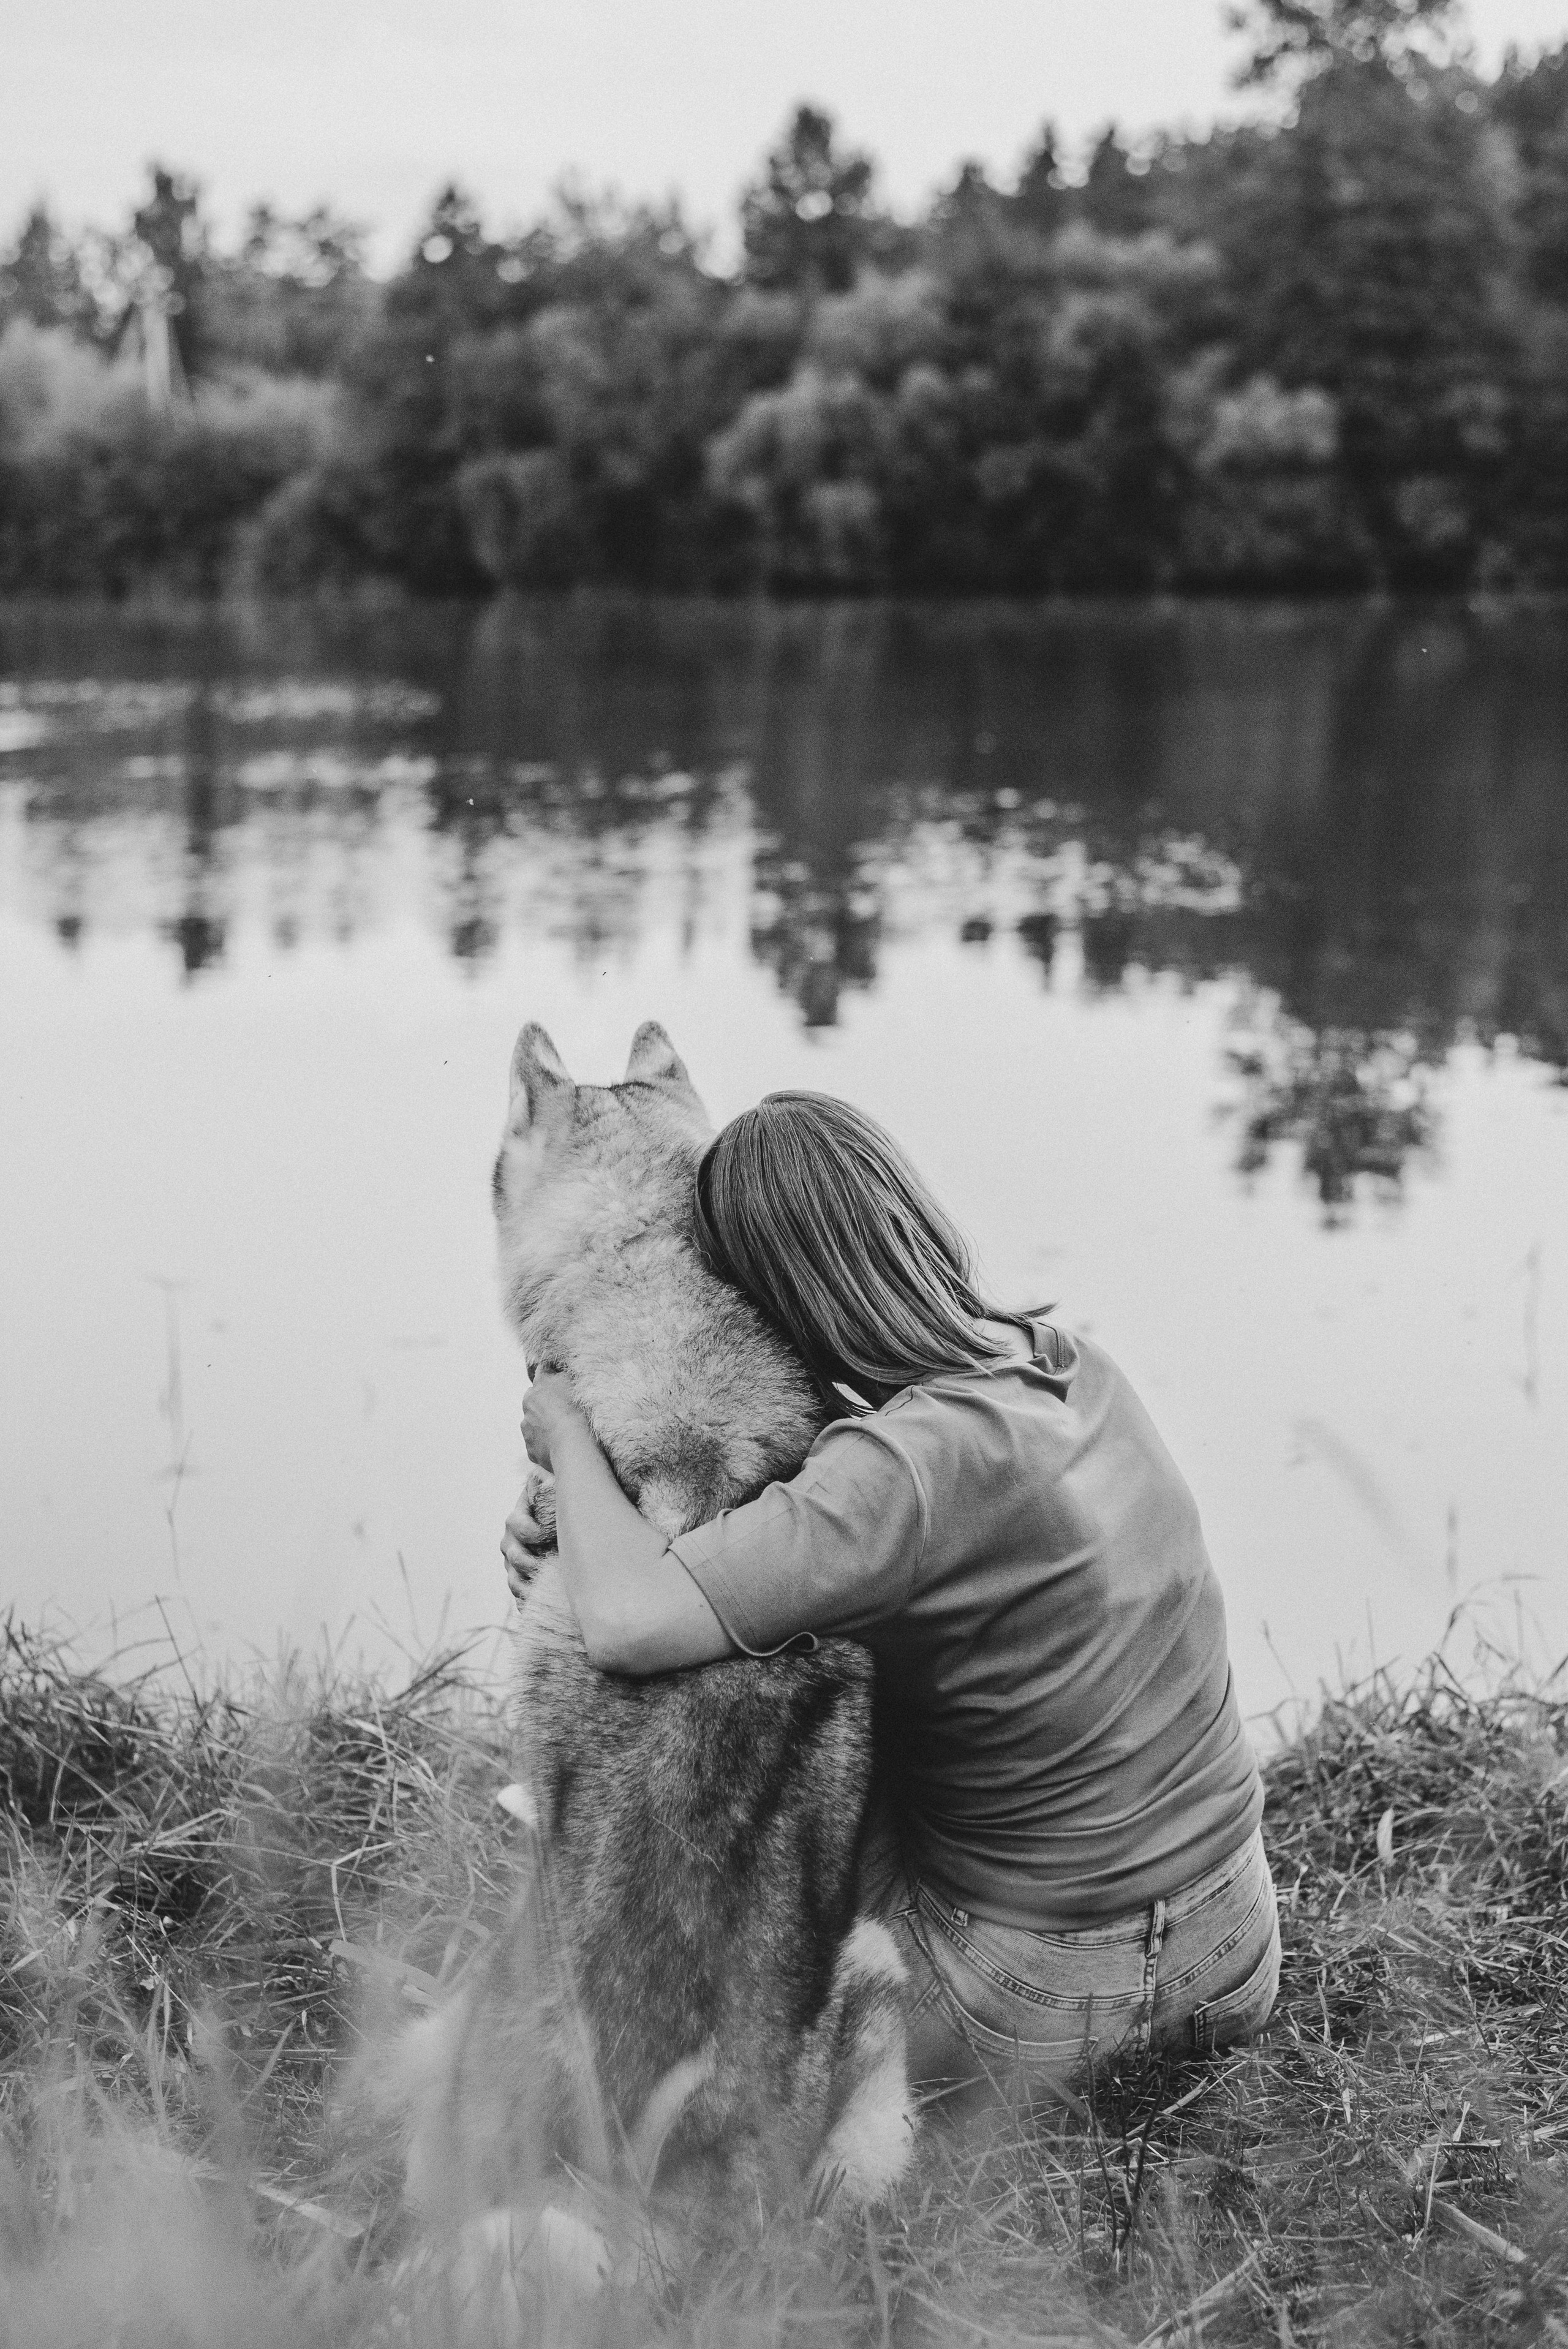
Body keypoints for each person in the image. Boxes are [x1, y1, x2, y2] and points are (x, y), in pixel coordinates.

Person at [505, 1090, 1280, 2091]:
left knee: (751, 1774)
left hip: (1042, 1999)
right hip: (1235, 1945)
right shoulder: (1074, 1371)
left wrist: (567, 1433)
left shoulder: (893, 1477)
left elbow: (623, 1622)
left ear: (758, 1299)